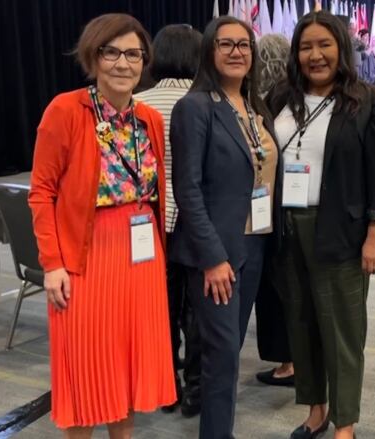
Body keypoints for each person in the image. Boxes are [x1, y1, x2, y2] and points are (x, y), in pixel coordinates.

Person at [29, 13, 176, 436]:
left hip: (141, 257)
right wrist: (53, 262)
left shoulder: (149, 118)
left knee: (127, 369)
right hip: (87, 256)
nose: (123, 63)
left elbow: (154, 190)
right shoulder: (66, 110)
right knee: (87, 371)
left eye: (134, 54)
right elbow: (41, 192)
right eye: (112, 52)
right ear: (94, 57)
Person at [265, 10, 375, 439]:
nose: (315, 55)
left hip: (341, 228)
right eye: (306, 46)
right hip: (286, 228)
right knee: (301, 325)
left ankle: (346, 423)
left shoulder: (365, 99)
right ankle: (316, 410)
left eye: (324, 45)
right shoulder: (280, 96)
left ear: (341, 48)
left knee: (342, 331)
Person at [169, 16, 281, 438]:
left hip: (255, 244)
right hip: (216, 252)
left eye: (244, 45)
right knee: (221, 354)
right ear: (208, 53)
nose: (237, 52)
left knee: (229, 351)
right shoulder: (195, 107)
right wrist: (213, 258)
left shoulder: (256, 108)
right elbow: (188, 189)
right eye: (226, 44)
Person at [134, 22, 203, 418]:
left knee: (161, 309)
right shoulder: (206, 101)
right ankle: (195, 389)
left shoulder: (139, 104)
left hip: (150, 221)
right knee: (197, 310)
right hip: (194, 220)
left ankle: (167, 387)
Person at [254, 32, 296, 387]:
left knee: (277, 287)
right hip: (291, 204)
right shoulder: (293, 94)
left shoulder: (261, 100)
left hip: (269, 205)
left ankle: (289, 363)